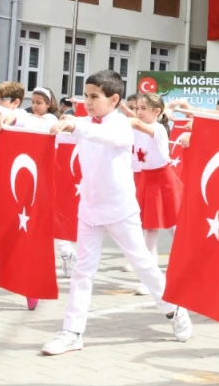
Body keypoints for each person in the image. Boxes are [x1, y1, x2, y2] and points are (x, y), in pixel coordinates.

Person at [39, 69, 193, 356]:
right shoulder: (83, 122)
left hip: (120, 209)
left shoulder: (122, 125)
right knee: (83, 272)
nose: (88, 101)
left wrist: (74, 125)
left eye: (94, 97)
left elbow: (99, 134)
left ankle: (174, 309)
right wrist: (12, 121)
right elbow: (58, 132)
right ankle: (72, 332)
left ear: (114, 100)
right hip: (89, 208)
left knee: (143, 264)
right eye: (85, 96)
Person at [127, 92, 182, 297]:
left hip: (163, 181)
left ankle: (187, 269)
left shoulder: (157, 128)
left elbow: (140, 126)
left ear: (157, 112)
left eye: (143, 108)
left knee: (174, 227)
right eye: (136, 108)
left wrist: (125, 118)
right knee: (149, 230)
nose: (138, 112)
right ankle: (151, 279)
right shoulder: (135, 127)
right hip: (146, 180)